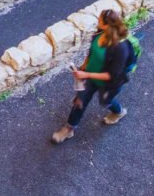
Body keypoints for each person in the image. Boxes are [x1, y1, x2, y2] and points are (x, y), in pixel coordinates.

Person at [51, 9, 131, 144]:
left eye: (100, 20)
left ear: (107, 25)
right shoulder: (99, 34)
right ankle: (69, 129)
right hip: (90, 77)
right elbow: (92, 52)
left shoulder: (120, 48)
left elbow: (111, 75)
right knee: (79, 101)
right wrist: (84, 65)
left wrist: (86, 74)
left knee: (106, 101)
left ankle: (118, 112)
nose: (97, 22)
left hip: (108, 84)